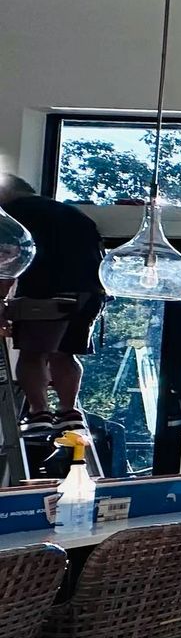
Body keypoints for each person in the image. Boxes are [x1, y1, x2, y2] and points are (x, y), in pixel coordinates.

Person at [0, 174, 104, 444]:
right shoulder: (73, 214)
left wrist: (0, 300)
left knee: (33, 355)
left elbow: (10, 258)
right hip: (90, 294)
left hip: (45, 292)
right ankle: (69, 412)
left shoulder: (12, 214)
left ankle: (39, 413)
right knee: (64, 353)